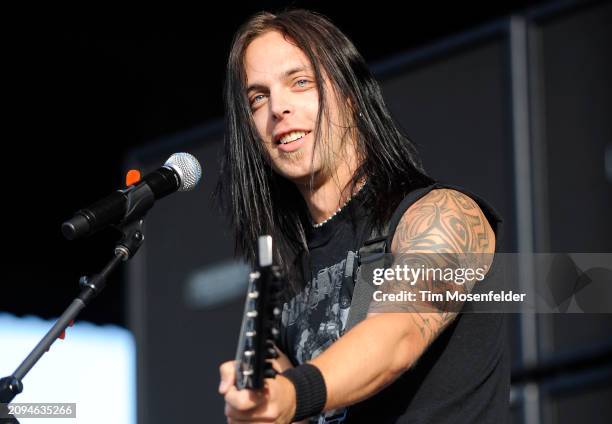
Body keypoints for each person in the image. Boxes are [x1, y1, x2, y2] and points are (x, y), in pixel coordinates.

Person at [216, 9, 509, 424]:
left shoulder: (444, 214)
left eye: (300, 82)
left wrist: (293, 394)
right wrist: (257, 407)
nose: (277, 107)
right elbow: (280, 406)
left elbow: (398, 337)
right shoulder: (284, 281)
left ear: (351, 97)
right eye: (258, 97)